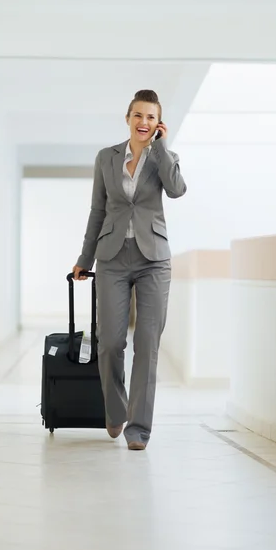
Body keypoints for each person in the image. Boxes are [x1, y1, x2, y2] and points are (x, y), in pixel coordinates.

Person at [72, 89, 187, 451]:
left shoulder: (164, 157)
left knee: (147, 344)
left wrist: (162, 149)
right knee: (109, 343)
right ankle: (115, 409)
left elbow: (178, 189)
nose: (144, 123)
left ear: (159, 123)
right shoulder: (106, 158)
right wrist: (84, 259)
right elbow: (97, 211)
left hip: (154, 259)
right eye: (138, 115)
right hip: (112, 257)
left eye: (151, 117)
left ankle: (139, 429)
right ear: (128, 118)